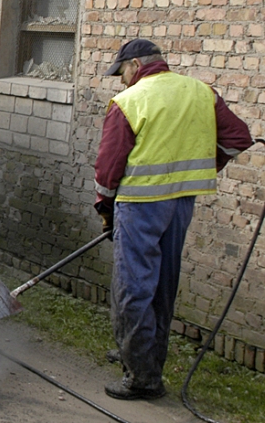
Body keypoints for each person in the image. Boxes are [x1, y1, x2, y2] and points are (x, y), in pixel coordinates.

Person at [94, 38, 252, 400]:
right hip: (180, 204)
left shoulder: (129, 102)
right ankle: (143, 357)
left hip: (140, 204)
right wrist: (208, 164)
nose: (121, 80)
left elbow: (108, 168)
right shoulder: (201, 92)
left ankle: (142, 378)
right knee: (163, 284)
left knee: (133, 286)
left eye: (122, 72)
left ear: (135, 65)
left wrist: (105, 205)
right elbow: (237, 138)